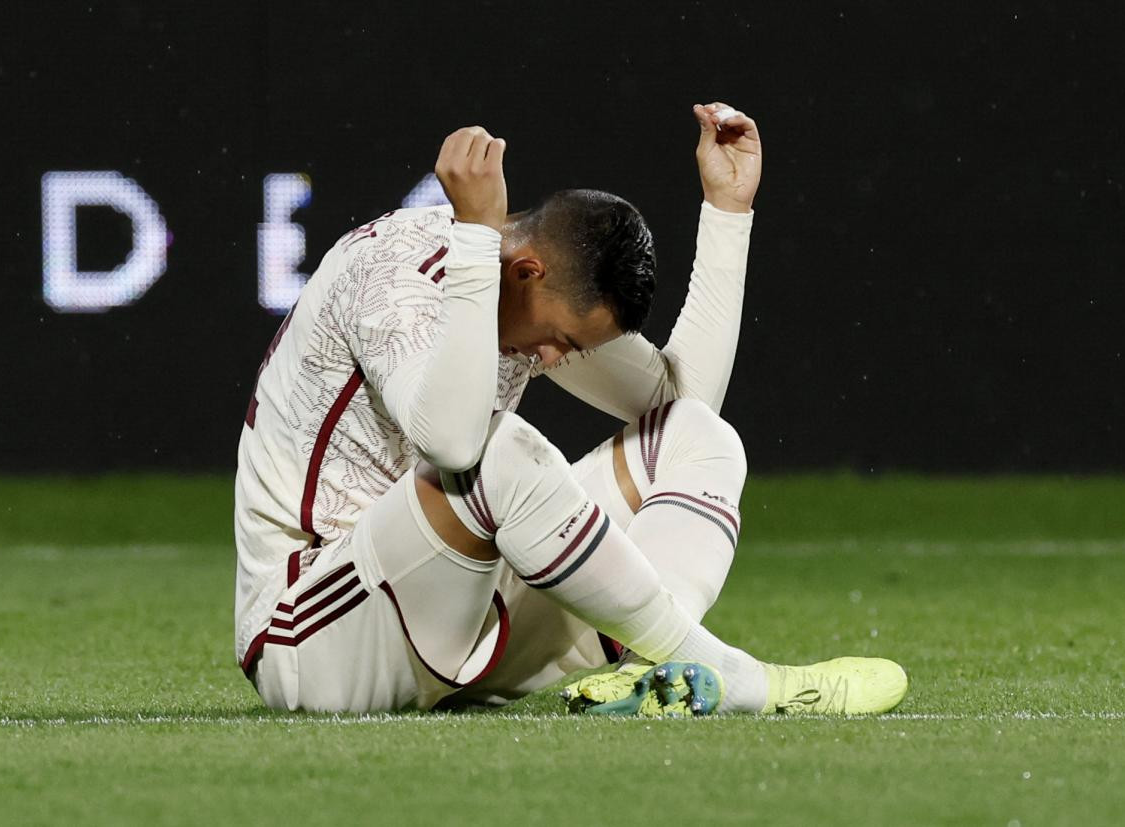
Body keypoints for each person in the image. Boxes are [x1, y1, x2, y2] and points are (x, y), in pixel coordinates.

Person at [233, 101, 908, 715]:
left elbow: (680, 403)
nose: (555, 358)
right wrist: (474, 237)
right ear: (526, 270)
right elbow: (454, 444)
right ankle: (723, 671)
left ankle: (655, 681)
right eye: (559, 338)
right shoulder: (396, 279)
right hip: (313, 632)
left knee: (703, 437)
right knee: (496, 452)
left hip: (455, 607)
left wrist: (727, 212)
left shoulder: (524, 286)